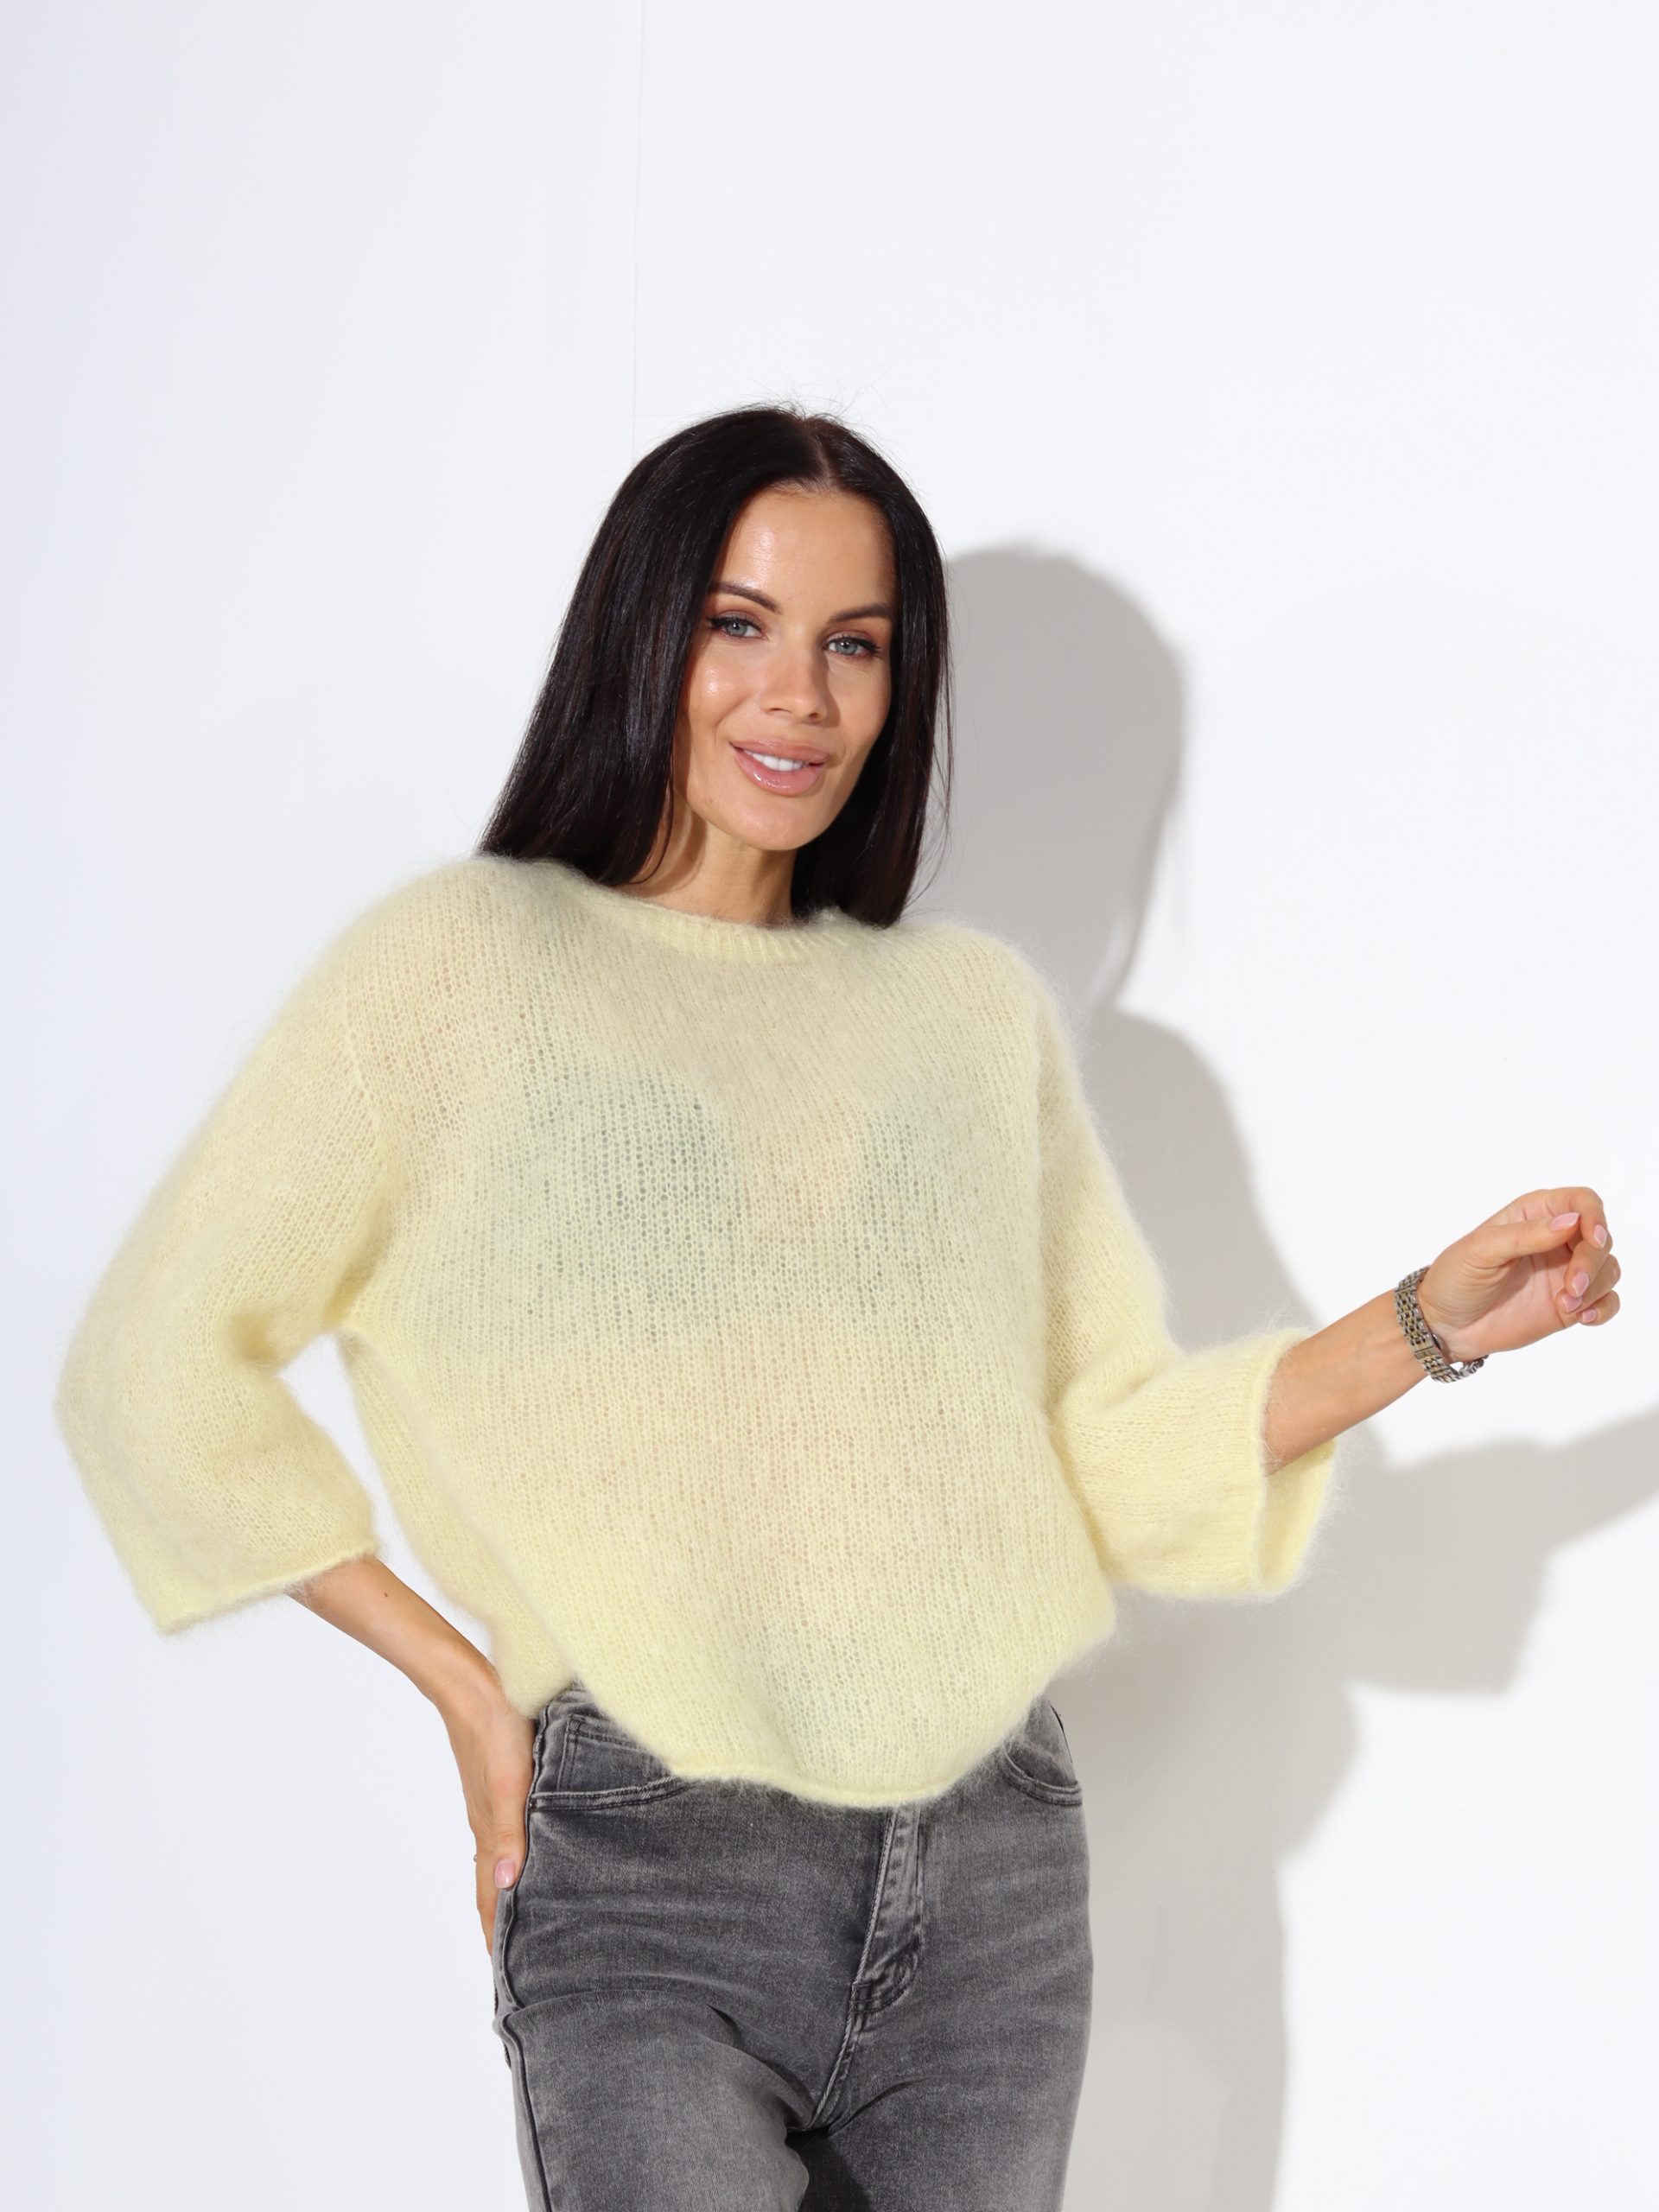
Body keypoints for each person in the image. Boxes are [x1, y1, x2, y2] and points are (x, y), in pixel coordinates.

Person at [51, 404, 1621, 2211]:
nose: (796, 698)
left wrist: (1430, 1321)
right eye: (741, 625)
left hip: (995, 1880)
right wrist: (472, 1697)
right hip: (654, 1873)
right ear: (645, 631)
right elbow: (157, 1364)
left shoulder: (965, 1018)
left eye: (854, 645)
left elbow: (1102, 1450)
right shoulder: (462, 968)